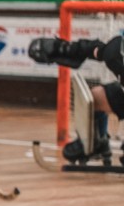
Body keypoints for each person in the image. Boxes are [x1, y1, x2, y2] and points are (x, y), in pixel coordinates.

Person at [28, 34, 124, 166]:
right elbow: (100, 50)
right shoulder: (115, 53)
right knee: (95, 97)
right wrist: (63, 49)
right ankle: (97, 143)